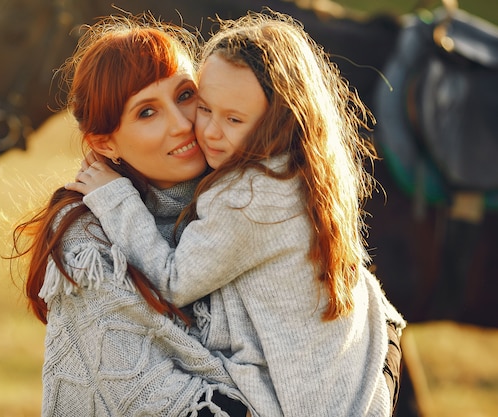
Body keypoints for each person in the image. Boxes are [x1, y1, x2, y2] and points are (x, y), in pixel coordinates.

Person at [67, 10, 405, 417]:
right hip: (349, 382)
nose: (205, 131)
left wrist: (115, 198)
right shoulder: (302, 168)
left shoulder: (246, 196)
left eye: (233, 119)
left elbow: (174, 282)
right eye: (205, 106)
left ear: (278, 122)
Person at [11, 14, 254, 417]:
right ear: (105, 144)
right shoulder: (86, 241)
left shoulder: (248, 196)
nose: (182, 125)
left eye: (185, 96)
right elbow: (147, 396)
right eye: (147, 112)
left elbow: (352, 311)